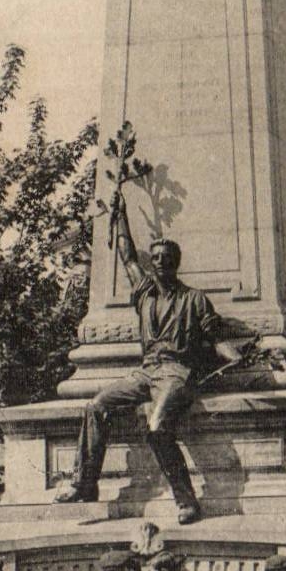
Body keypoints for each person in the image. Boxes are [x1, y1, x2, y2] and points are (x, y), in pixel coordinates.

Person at [57, 189, 243, 523]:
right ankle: (85, 484)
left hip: (176, 373)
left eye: (164, 259)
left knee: (158, 427)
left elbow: (216, 337)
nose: (158, 262)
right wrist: (121, 216)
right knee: (96, 405)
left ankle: (186, 501)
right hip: (146, 371)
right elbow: (127, 256)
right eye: (155, 258)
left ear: (175, 264)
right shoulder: (143, 293)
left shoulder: (194, 299)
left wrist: (233, 355)